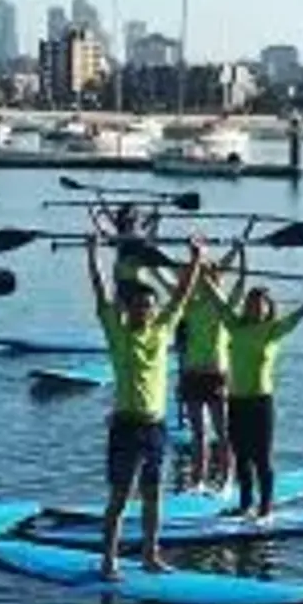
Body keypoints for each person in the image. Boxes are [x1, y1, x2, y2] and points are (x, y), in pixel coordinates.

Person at [87, 234, 205, 577]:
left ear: (154, 310)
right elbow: (99, 289)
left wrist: (196, 259)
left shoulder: (163, 331)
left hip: (155, 426)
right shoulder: (117, 333)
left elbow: (182, 295)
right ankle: (108, 561)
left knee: (153, 496)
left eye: (149, 306)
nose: (145, 311)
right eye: (138, 306)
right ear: (129, 310)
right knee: (121, 498)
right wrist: (92, 253)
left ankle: (150, 556)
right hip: (126, 425)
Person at [218, 277, 303, 519]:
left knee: (261, 458)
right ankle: (245, 504)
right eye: (251, 304)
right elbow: (215, 300)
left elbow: (301, 313)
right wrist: (200, 270)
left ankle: (265, 508)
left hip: (260, 403)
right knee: (240, 457)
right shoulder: (233, 325)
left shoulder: (273, 330)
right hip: (236, 401)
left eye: (260, 305)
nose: (255, 308)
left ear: (268, 308)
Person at [175, 242, 245, 491]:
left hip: (216, 375)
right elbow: (171, 283)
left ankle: (226, 479)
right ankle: (198, 481)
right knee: (199, 434)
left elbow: (240, 283)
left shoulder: (224, 306)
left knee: (223, 433)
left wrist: (241, 253)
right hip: (192, 374)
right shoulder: (189, 305)